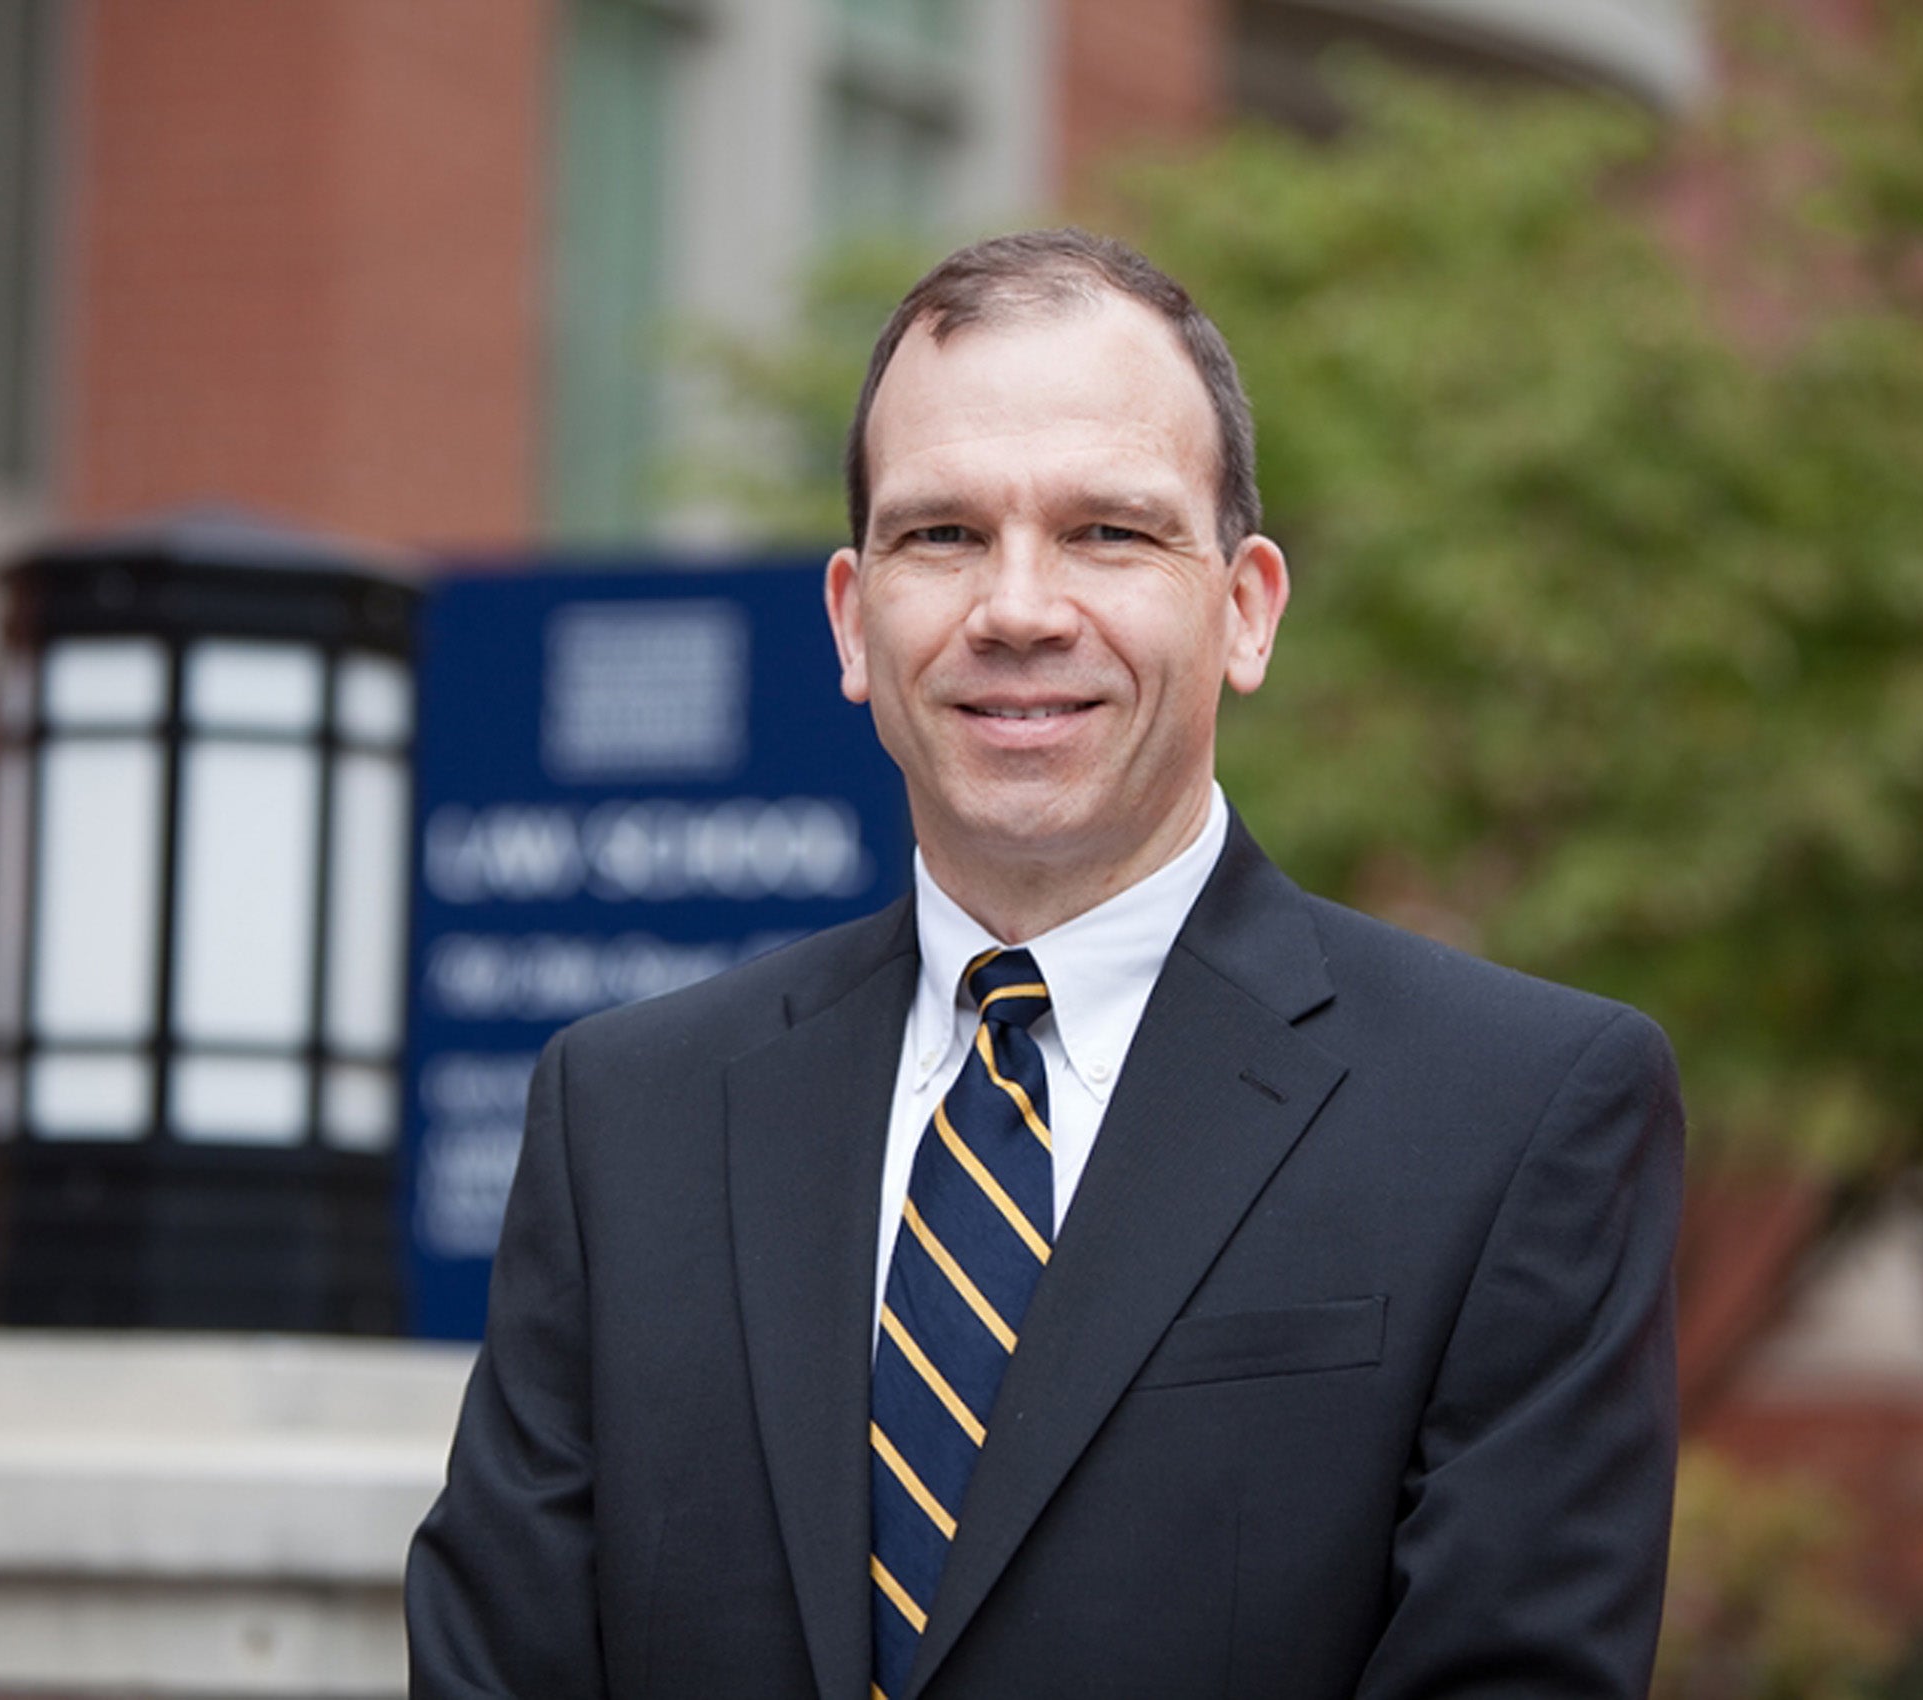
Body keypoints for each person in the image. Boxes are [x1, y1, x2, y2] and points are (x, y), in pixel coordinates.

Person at [406, 229, 1684, 1700]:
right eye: (941, 535)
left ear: (1246, 607)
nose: (1016, 610)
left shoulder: (1515, 1114)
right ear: (849, 617)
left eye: (1108, 533)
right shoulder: (624, 1116)